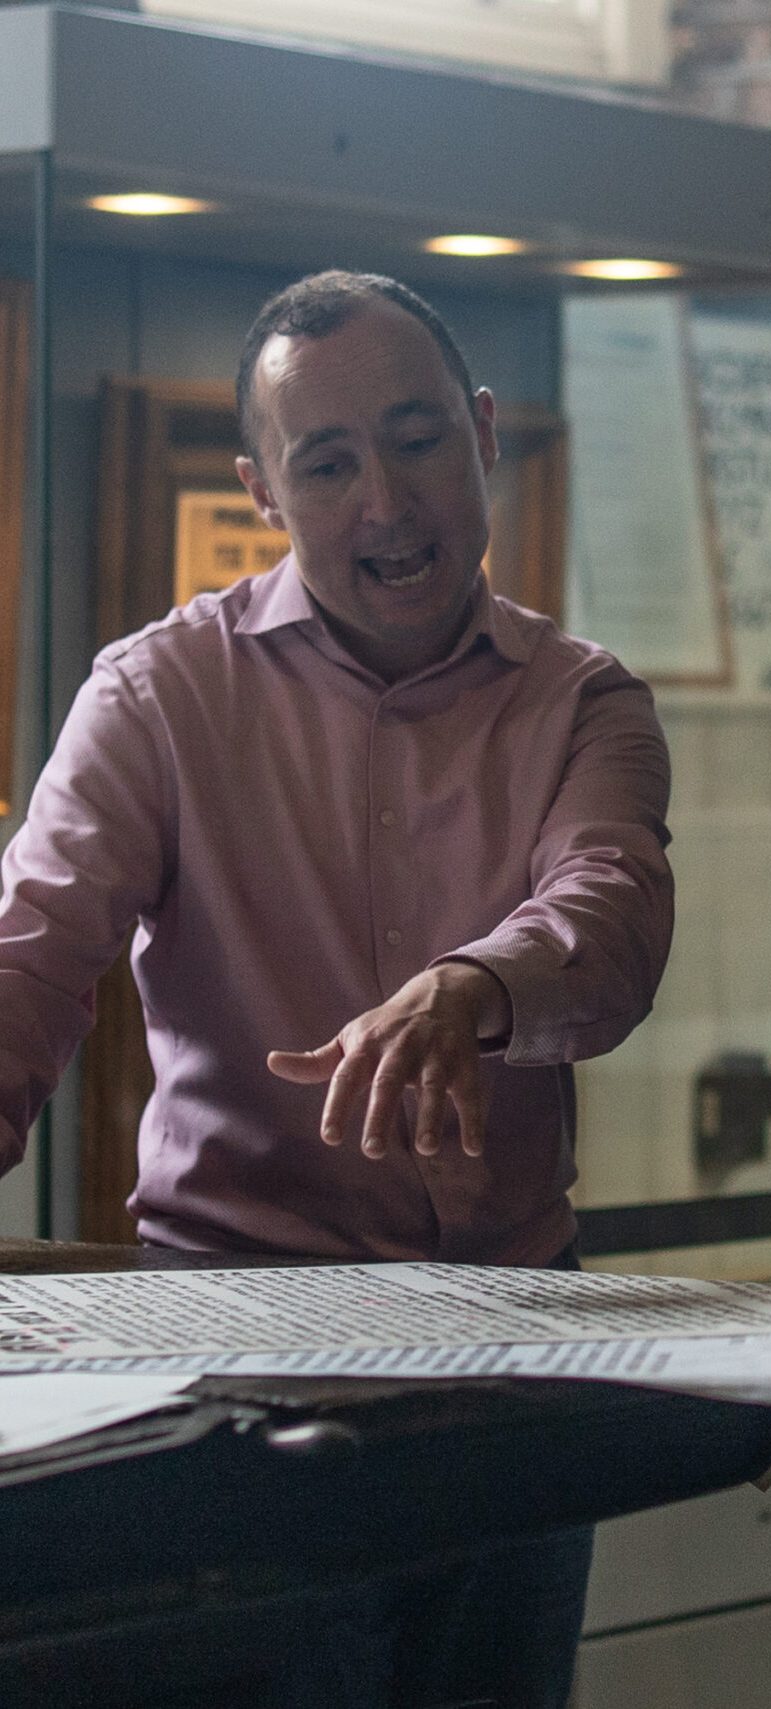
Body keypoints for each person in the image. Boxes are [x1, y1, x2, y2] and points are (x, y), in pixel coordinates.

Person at [0, 270, 673, 1706]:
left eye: (419, 436)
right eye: (328, 461)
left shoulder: (585, 699)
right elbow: (27, 959)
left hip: (514, 1364)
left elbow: (609, 919)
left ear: (486, 434)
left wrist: (474, 986)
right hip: (242, 1365)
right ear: (261, 488)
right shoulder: (155, 695)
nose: (388, 500)